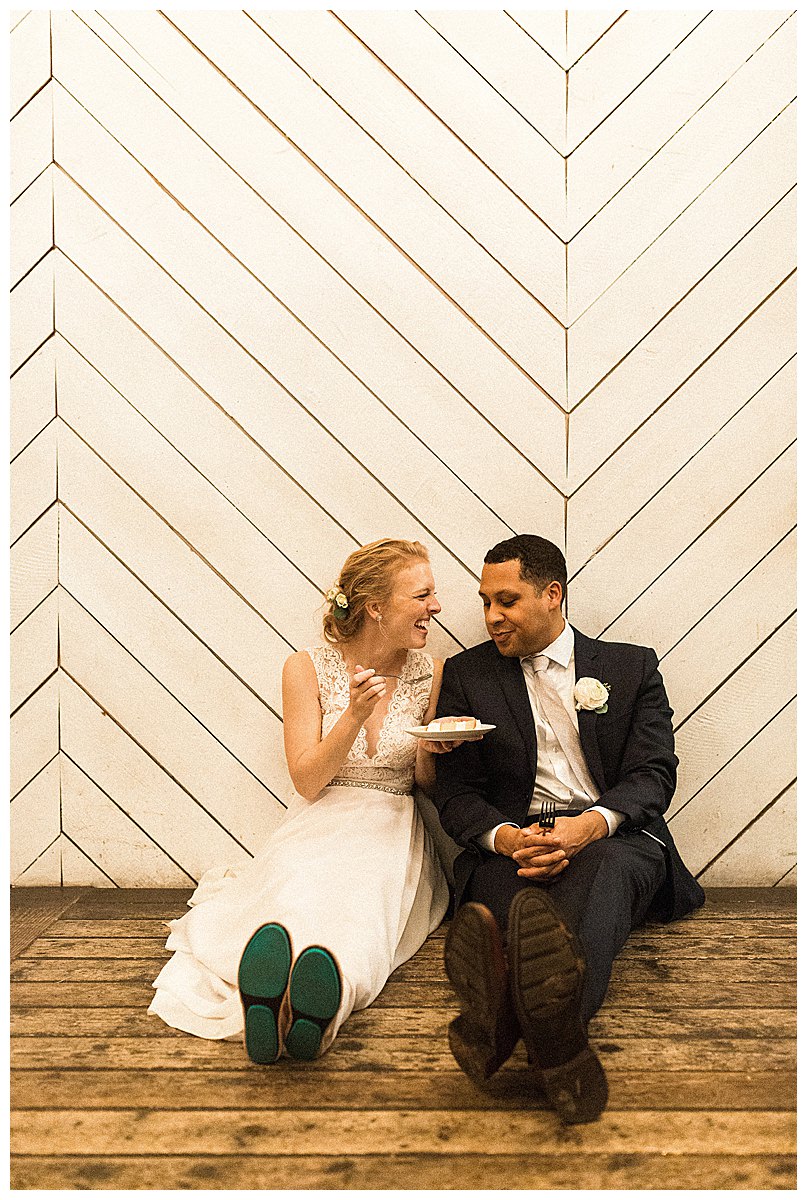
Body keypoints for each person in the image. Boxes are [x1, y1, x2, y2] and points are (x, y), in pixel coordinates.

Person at [433, 534, 705, 1124]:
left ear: (552, 594)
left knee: (599, 883)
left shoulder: (630, 668)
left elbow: (653, 774)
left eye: (506, 601)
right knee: (514, 909)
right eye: (484, 602)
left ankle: (510, 1024)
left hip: (611, 839)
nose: (490, 617)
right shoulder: (465, 675)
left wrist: (587, 827)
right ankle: (559, 1044)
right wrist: (504, 839)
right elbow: (455, 792)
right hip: (511, 846)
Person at [149, 538, 455, 1062]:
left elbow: (422, 781)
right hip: (322, 815)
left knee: (359, 910)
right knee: (299, 890)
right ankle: (267, 992)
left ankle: (317, 1009)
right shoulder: (305, 668)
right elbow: (307, 780)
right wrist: (354, 714)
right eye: (422, 595)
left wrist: (435, 747)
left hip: (393, 824)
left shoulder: (434, 671)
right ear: (376, 606)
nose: (437, 607)